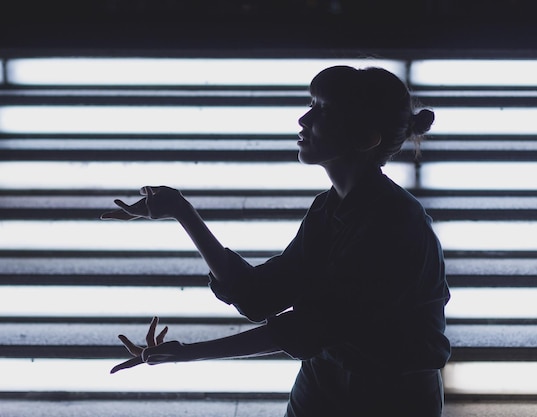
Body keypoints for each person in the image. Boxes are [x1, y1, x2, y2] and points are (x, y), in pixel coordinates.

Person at [102, 65, 450, 417]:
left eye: (323, 109)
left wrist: (187, 353)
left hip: (390, 398)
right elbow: (261, 295)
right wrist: (181, 211)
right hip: (323, 382)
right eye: (311, 104)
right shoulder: (329, 209)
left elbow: (310, 327)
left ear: (365, 138)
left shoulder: (394, 223)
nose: (303, 119)